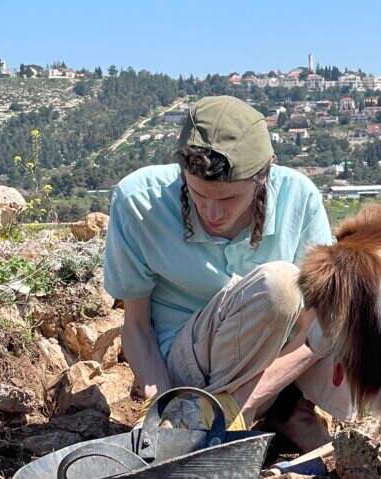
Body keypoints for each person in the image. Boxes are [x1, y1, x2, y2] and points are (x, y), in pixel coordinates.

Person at [103, 95, 346, 448]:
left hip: (281, 356)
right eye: (199, 194)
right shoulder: (139, 202)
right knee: (278, 287)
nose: (213, 213)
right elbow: (137, 326)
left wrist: (240, 407)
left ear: (262, 178)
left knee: (353, 293)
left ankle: (281, 413)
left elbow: (321, 327)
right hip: (191, 362)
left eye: (229, 199)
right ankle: (216, 423)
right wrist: (162, 407)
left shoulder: (299, 198)